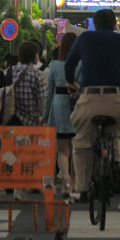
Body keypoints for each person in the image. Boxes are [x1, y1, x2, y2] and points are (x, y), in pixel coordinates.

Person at [64, 10, 120, 199]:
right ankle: (117, 159)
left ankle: (83, 189)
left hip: (89, 98)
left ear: (95, 23)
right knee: (118, 131)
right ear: (115, 23)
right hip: (115, 98)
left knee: (82, 142)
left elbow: (69, 65)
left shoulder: (85, 38)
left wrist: (72, 83)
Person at [43, 30, 79, 190]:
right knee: (77, 148)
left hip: (58, 105)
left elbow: (49, 91)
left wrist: (45, 113)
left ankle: (65, 178)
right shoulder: (81, 63)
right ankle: (76, 183)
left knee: (62, 150)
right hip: (77, 105)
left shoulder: (55, 65)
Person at [9, 38, 46, 124]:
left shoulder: (8, 71)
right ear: (34, 56)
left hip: (11, 121)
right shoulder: (38, 76)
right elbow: (42, 103)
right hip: (31, 123)